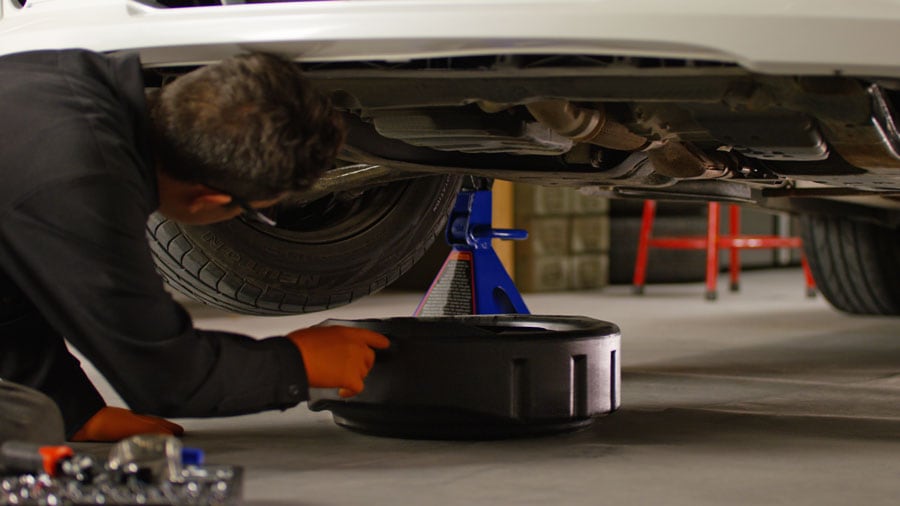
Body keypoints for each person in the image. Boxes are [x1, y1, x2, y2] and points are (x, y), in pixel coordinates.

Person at [0, 49, 390, 443]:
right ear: (208, 200)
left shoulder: (75, 80)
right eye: (258, 211)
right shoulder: (81, 185)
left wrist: (72, 409)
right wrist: (296, 363)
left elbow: (11, 272)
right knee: (19, 434)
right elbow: (167, 376)